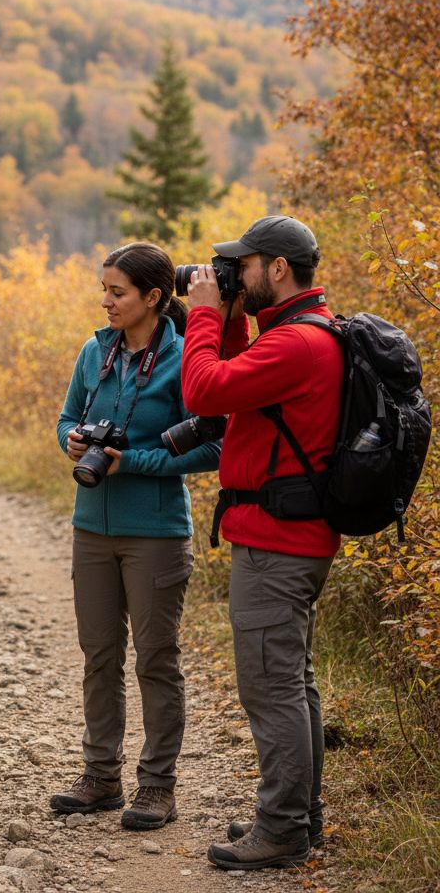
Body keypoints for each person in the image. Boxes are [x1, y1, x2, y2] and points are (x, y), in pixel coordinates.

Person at [180, 215, 343, 871]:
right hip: (292, 535)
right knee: (292, 683)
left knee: (271, 688)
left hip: (278, 542)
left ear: (278, 269)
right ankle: (298, 815)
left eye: (242, 267)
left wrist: (201, 314)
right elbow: (241, 377)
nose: (232, 277)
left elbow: (205, 390)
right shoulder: (303, 333)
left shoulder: (297, 344)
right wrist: (234, 312)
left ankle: (280, 831)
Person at [51, 241, 221, 832]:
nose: (106, 301)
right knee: (99, 655)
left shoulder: (186, 359)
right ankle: (101, 776)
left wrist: (136, 462)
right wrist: (72, 441)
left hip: (155, 531)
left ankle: (157, 786)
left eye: (116, 292)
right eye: (104, 289)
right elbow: (67, 418)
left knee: (155, 658)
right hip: (90, 526)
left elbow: (214, 446)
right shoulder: (93, 352)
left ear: (154, 297)